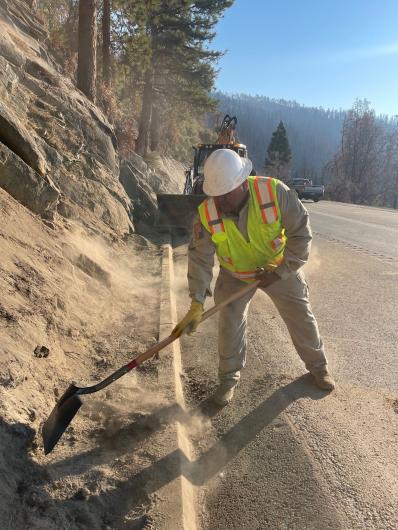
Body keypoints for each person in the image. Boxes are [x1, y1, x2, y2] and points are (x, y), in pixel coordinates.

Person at [173, 149, 335, 406]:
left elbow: (301, 235)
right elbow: (200, 258)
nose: (220, 202)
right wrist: (196, 302)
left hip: (279, 267)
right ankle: (228, 380)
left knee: (300, 314)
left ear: (241, 183)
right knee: (230, 321)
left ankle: (318, 367)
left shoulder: (274, 192)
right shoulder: (207, 213)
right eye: (215, 195)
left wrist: (280, 271)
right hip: (235, 274)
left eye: (226, 195)